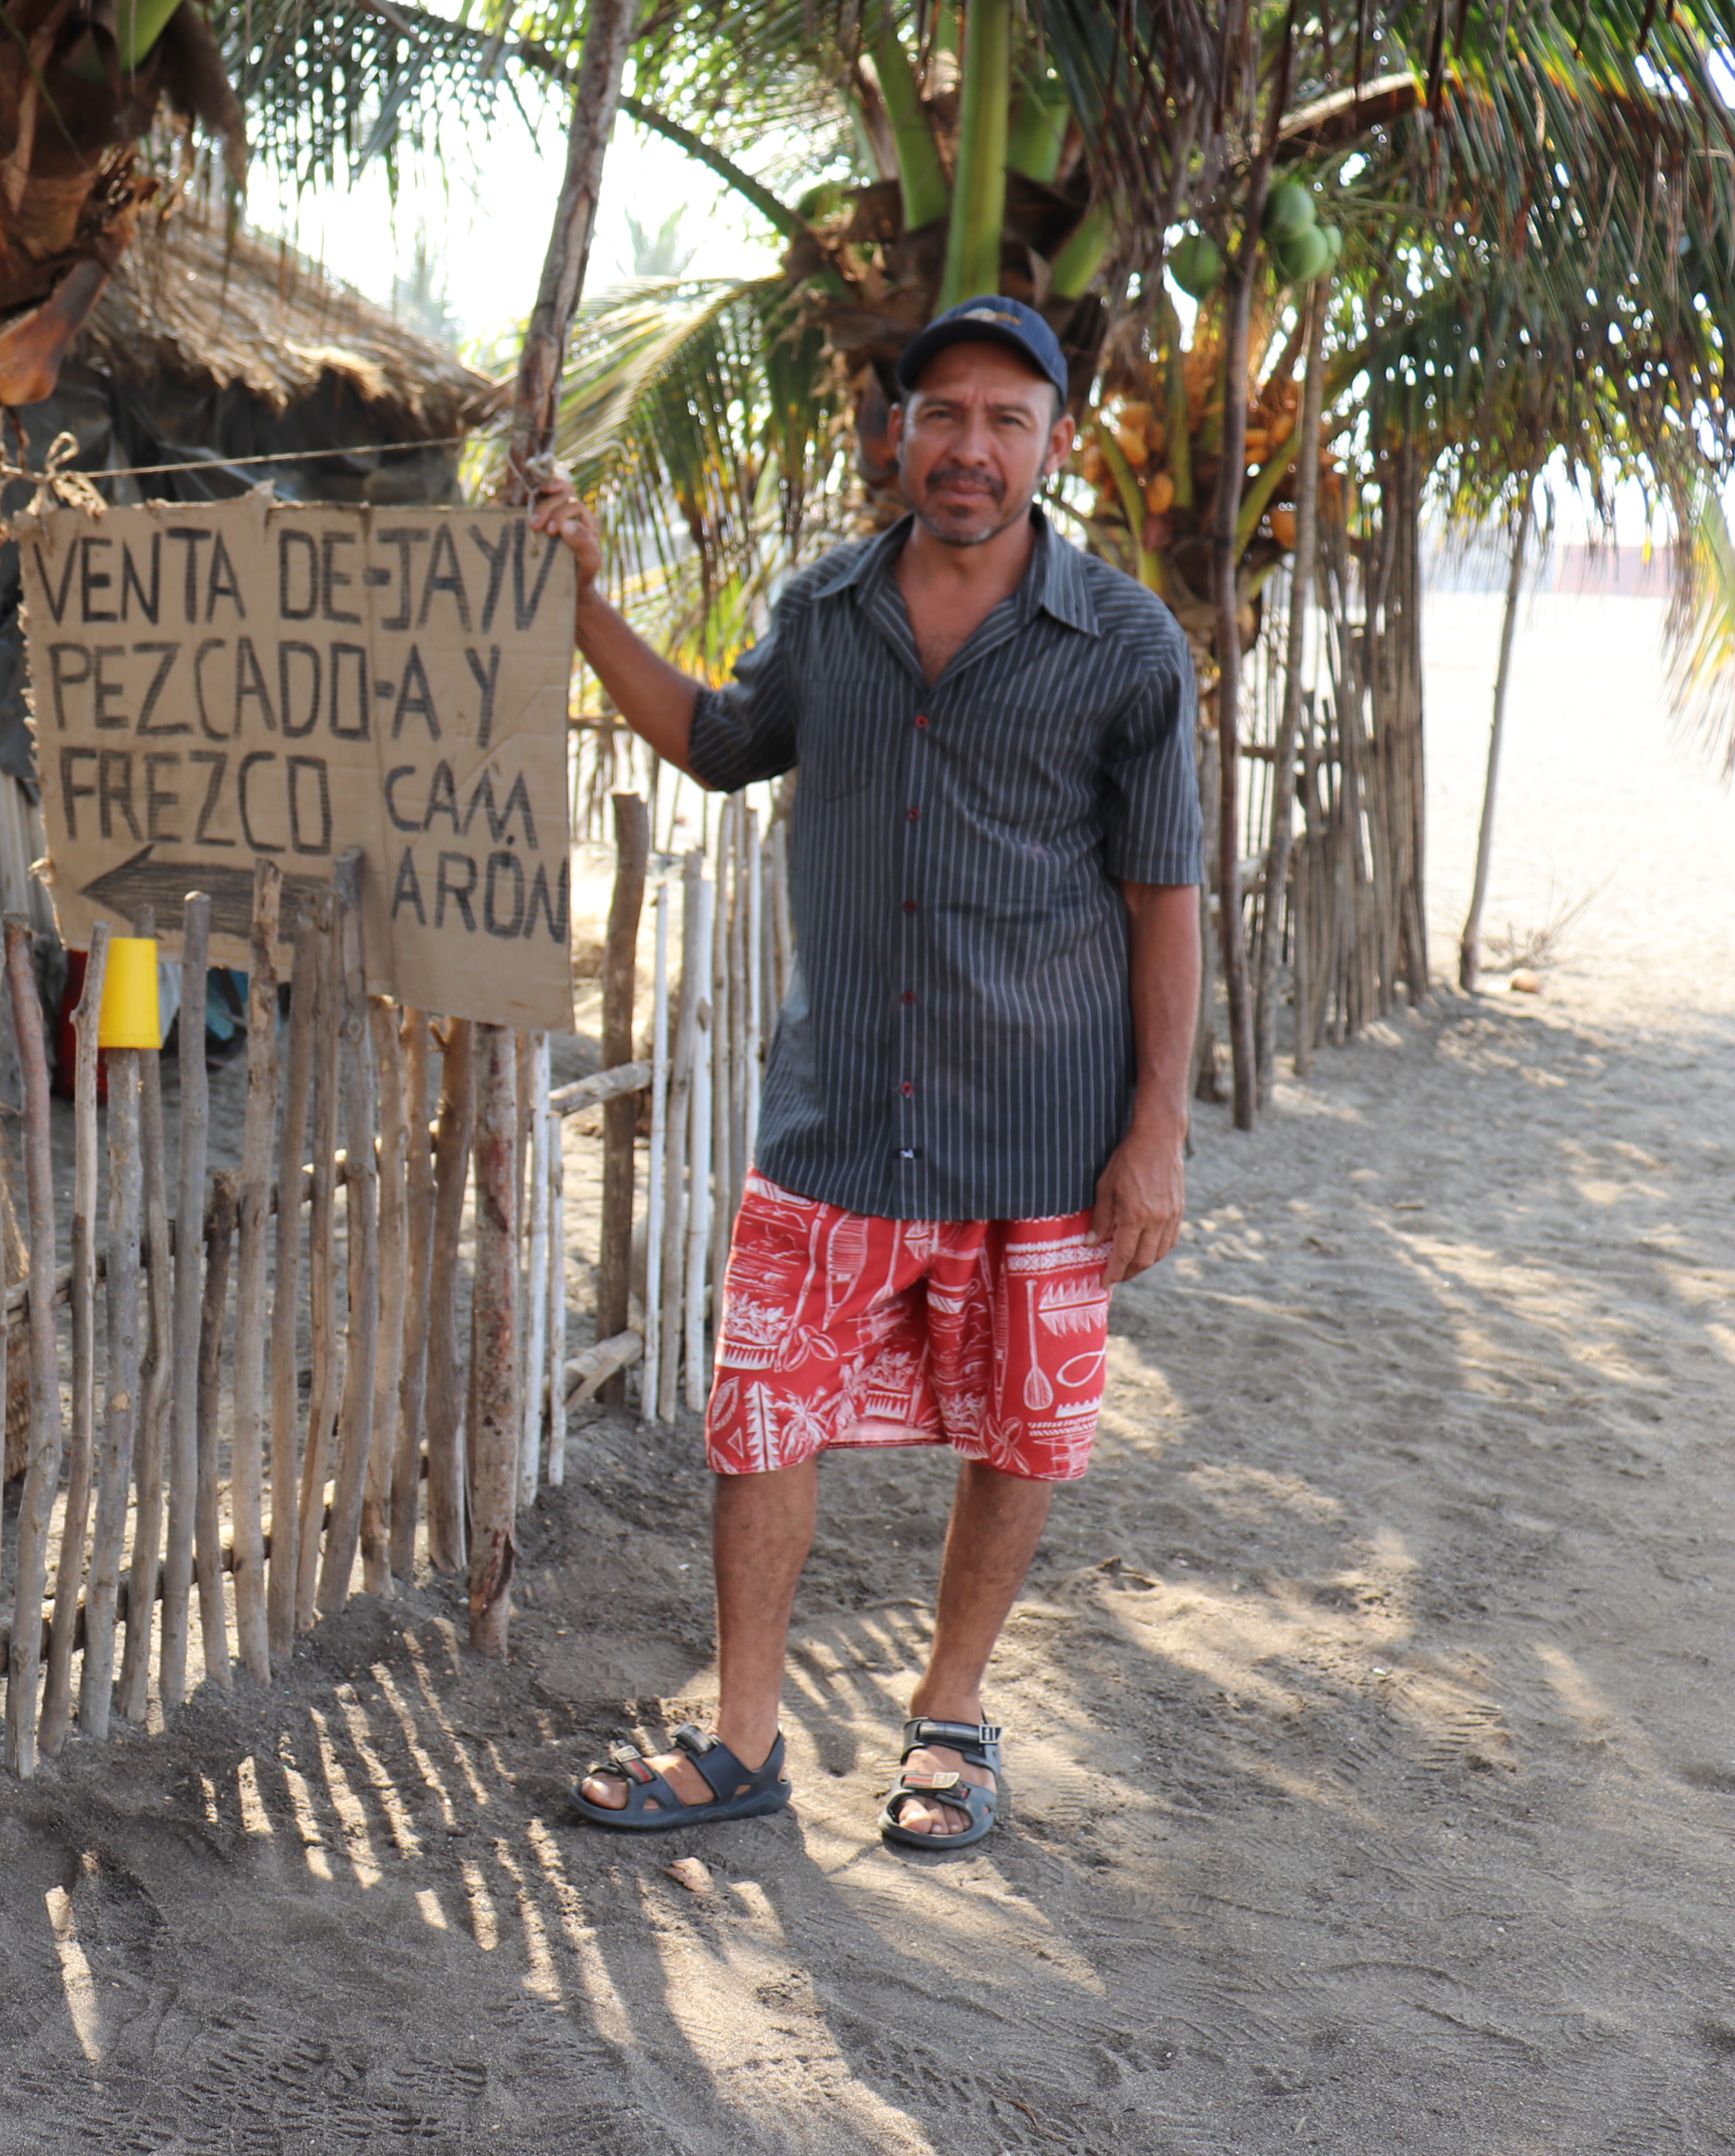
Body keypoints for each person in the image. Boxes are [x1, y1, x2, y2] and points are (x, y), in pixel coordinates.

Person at [529, 296, 1202, 1852]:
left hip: (1043, 1128)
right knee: (760, 1420)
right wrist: (580, 608)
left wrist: (1154, 1131)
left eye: (1006, 420)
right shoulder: (825, 614)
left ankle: (950, 1721)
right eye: (944, 414)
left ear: (1054, 445)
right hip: (838, 1118)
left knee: (1016, 1436)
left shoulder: (1123, 645)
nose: (971, 447)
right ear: (897, 433)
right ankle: (744, 1742)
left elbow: (1167, 893)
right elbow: (714, 740)